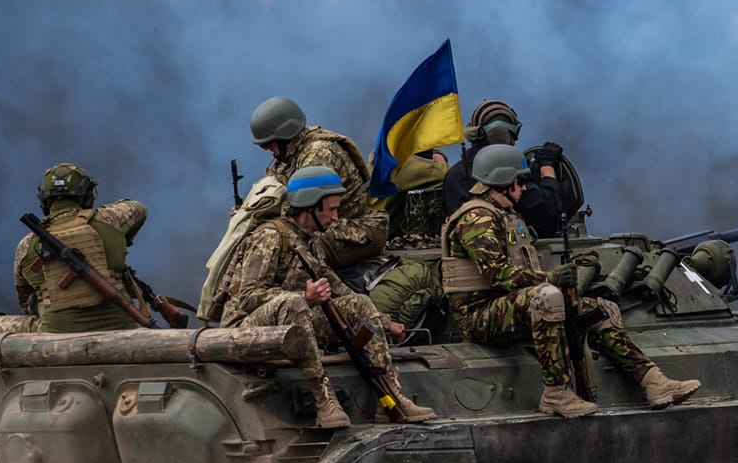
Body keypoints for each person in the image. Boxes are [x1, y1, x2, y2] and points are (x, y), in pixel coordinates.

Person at [441, 144, 698, 418]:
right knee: (547, 298)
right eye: (521, 181)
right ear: (502, 182)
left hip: (508, 306)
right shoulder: (476, 219)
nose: (525, 188)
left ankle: (653, 382)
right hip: (479, 315)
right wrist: (549, 278)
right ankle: (556, 394)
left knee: (601, 310)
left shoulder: (505, 216)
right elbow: (497, 274)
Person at [218, 165, 436, 428]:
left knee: (359, 303)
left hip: (289, 322)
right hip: (244, 329)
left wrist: (384, 322)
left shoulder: (309, 241)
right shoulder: (269, 237)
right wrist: (304, 296)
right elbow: (248, 297)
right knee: (294, 302)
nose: (335, 218)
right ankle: (324, 400)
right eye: (331, 210)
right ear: (310, 207)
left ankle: (390, 396)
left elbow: (338, 288)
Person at [11, 164, 153, 333]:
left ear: (44, 201)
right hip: (120, 327)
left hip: (57, 338)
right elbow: (138, 209)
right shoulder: (110, 220)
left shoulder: (26, 246)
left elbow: (26, 303)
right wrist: (120, 240)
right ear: (87, 196)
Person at [248, 96, 387, 268]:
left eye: (268, 143)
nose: (267, 148)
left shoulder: (319, 155)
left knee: (293, 254)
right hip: (327, 223)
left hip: (360, 229)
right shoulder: (288, 156)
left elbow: (302, 212)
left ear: (285, 135)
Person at [441, 99, 571, 238]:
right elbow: (550, 210)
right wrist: (547, 165)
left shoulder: (453, 174)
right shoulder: (502, 176)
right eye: (512, 134)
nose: (515, 141)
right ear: (499, 135)